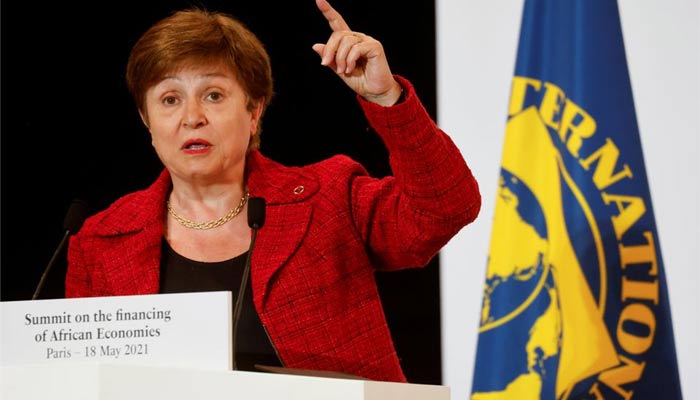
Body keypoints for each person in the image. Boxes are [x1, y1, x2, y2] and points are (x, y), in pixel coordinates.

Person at [65, 0, 481, 382]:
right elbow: (85, 381)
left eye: (213, 95)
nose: (192, 117)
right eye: (170, 99)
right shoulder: (101, 242)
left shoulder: (328, 200)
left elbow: (445, 208)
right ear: (146, 120)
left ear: (254, 110)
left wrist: (386, 98)